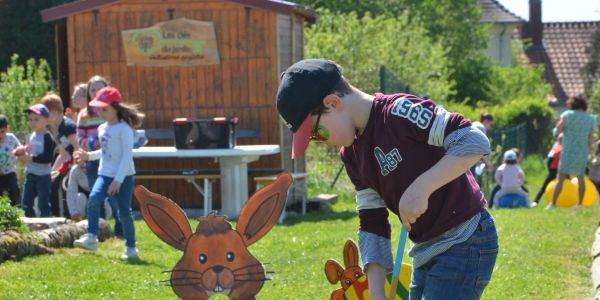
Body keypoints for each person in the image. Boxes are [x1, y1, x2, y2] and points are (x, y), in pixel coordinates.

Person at [276, 59, 497, 299]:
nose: (321, 142)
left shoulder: (399, 113)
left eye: (316, 134)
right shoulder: (352, 156)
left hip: (465, 239)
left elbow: (474, 141)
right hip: (425, 250)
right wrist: (377, 293)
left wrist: (421, 188)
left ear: (333, 103)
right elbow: (372, 225)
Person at [73, 86, 145, 259]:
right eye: (99, 109)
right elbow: (105, 153)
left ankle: (131, 247)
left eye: (104, 109)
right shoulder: (102, 128)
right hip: (104, 174)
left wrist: (118, 180)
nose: (101, 112)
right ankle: (91, 237)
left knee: (124, 212)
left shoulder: (124, 129)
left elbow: (127, 156)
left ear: (116, 108)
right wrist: (88, 156)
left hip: (123, 177)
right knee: (94, 199)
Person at [77, 76, 122, 236]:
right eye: (92, 89)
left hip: (111, 161)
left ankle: (120, 231)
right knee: (96, 198)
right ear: (88, 93)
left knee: (114, 197)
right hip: (92, 160)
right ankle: (101, 231)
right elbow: (79, 138)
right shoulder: (84, 114)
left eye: (99, 89)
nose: (96, 92)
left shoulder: (115, 113)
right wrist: (90, 143)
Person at [547, 95, 597, 209]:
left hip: (568, 151)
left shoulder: (567, 115)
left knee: (560, 178)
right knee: (580, 178)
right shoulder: (591, 118)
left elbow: (558, 129)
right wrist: (590, 151)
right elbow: (591, 138)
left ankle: (553, 203)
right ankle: (579, 203)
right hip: (582, 151)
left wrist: (556, 133)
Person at [41, 93, 79, 217]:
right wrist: (51, 172)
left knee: (66, 187)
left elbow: (78, 146)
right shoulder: (56, 130)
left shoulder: (67, 126)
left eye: (46, 114)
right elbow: (62, 154)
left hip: (77, 164)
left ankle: (71, 216)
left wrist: (76, 162)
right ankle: (56, 215)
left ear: (55, 111)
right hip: (68, 163)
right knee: (54, 183)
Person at [16, 104, 56, 217]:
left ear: (46, 120)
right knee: (26, 203)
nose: (33, 122)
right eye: (30, 119)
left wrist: (31, 158)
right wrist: (20, 152)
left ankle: (45, 225)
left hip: (43, 176)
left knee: (43, 204)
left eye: (36, 119)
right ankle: (31, 224)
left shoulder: (47, 137)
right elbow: (25, 150)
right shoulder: (29, 136)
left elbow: (48, 158)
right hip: (30, 174)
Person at [532, 134, 563, 207]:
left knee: (543, 187)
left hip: (553, 170)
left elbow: (549, 160)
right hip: (562, 170)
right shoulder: (565, 149)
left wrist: (550, 169)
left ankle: (535, 201)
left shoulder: (554, 148)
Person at [0, 115, 22, 206]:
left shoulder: (11, 138)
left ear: (7, 128)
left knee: (14, 189)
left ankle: (14, 208)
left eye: (2, 132)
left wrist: (20, 149)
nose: (0, 135)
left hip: (10, 171)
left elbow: (19, 146)